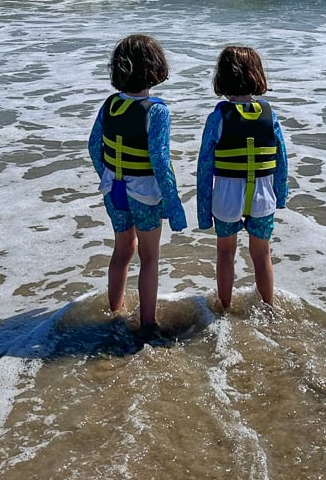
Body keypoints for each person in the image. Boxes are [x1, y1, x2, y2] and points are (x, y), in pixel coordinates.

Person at [88, 34, 187, 329]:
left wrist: (107, 176)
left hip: (113, 190)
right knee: (150, 256)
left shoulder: (110, 105)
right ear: (155, 68)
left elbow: (94, 146)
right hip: (144, 194)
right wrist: (173, 202)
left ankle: (115, 311)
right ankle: (147, 323)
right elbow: (159, 159)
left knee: (122, 250)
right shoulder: (156, 110)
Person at [196, 45, 288, 309]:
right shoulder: (270, 115)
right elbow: (282, 161)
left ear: (221, 78)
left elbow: (204, 166)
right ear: (257, 75)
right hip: (262, 197)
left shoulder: (218, 117)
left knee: (225, 253)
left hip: (226, 199)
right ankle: (268, 308)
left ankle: (224, 309)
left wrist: (204, 213)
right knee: (262, 255)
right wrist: (280, 198)